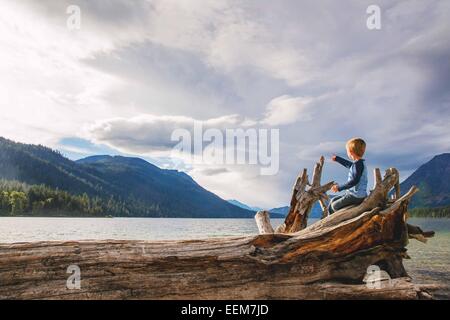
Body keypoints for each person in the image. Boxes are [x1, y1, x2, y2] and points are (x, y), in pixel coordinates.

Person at [328, 138, 368, 214]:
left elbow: (354, 181)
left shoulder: (358, 164)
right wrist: (337, 159)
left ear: (351, 152)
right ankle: (328, 219)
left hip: (356, 196)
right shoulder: (358, 163)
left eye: (347, 151)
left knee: (334, 206)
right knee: (333, 200)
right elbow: (349, 165)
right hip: (354, 194)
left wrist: (339, 187)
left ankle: (338, 220)